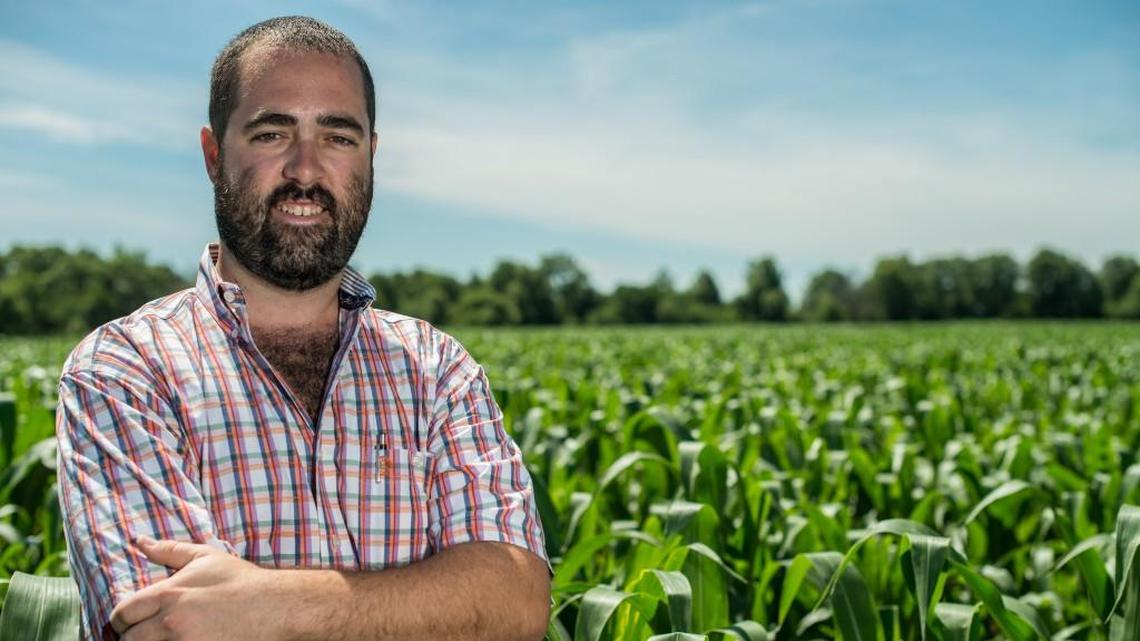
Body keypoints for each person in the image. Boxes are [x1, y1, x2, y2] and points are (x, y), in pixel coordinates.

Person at [54, 16, 551, 641]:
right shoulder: (123, 369)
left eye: (339, 138)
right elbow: (169, 629)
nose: (306, 170)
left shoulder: (438, 368)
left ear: (371, 155)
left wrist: (271, 605)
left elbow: (516, 601)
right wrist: (425, 605)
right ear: (214, 155)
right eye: (271, 134)